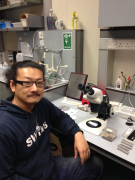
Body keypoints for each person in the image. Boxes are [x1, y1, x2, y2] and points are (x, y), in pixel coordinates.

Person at [0, 60, 103, 180]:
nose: (35, 89)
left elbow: (61, 118)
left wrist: (78, 134)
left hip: (51, 166)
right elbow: (6, 177)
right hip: (31, 176)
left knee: (95, 164)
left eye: (39, 83)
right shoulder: (4, 126)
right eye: (27, 83)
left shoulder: (41, 103)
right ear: (13, 85)